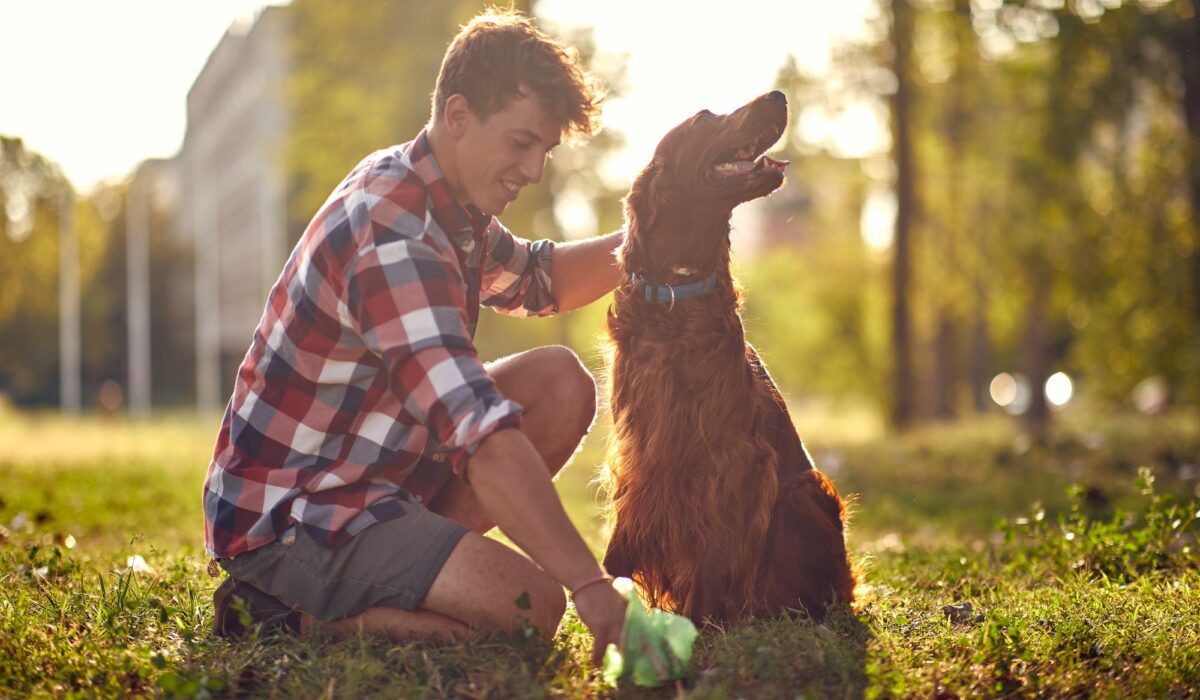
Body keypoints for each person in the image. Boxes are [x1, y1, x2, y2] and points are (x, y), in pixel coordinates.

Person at [203, 8, 626, 663]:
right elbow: (478, 434)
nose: (535, 169)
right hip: (295, 519)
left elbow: (540, 279)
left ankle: (414, 572)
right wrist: (590, 584)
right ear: (457, 115)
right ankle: (282, 612)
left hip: (368, 483)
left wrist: (654, 237)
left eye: (545, 148)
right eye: (521, 142)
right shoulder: (395, 236)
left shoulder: (447, 201)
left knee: (558, 383)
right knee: (532, 609)